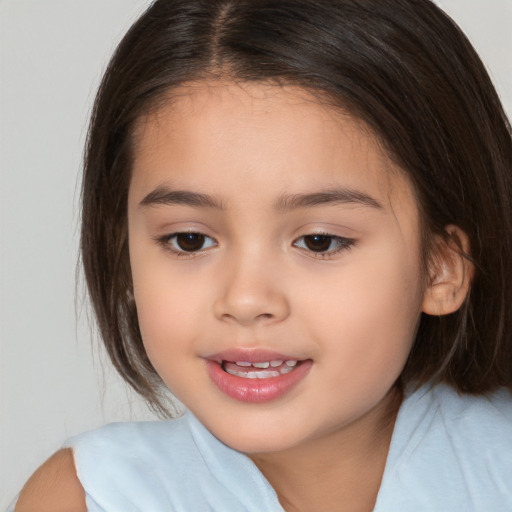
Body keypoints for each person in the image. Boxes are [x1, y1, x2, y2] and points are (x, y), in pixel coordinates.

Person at [9, 0, 512, 510]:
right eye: (189, 240)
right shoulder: (90, 497)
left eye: (319, 241)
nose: (246, 300)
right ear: (124, 255)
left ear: (440, 266)